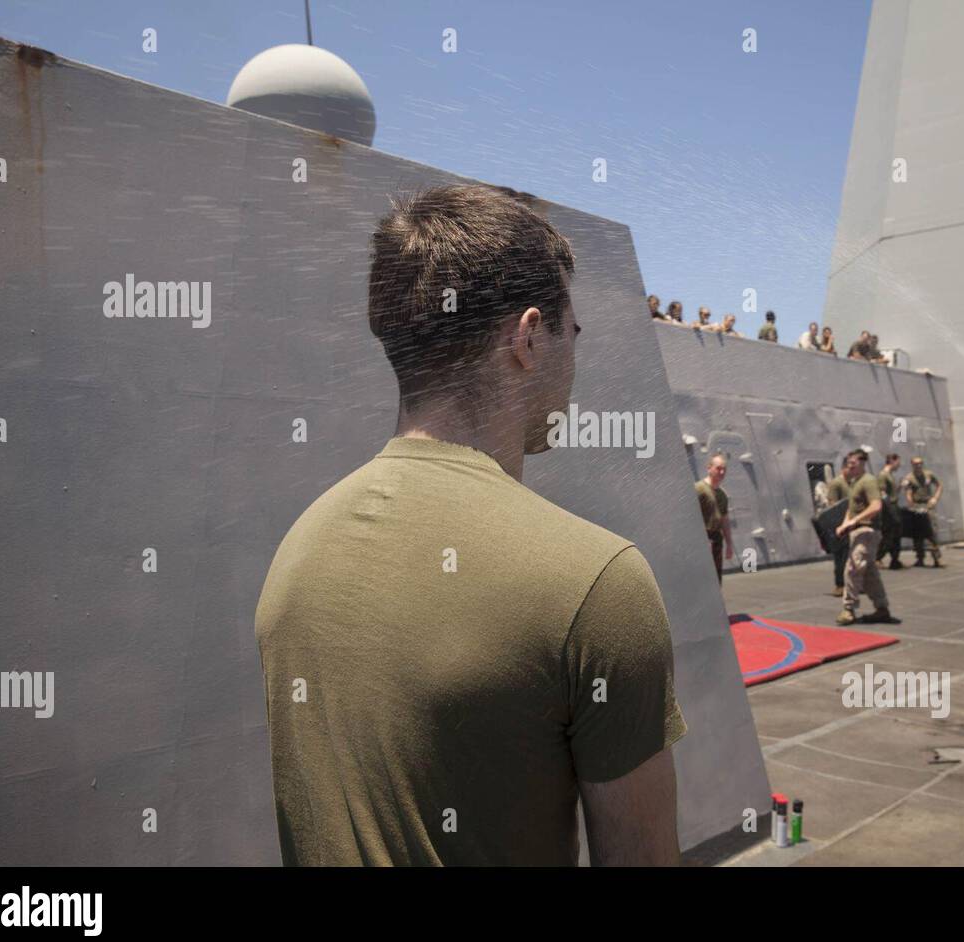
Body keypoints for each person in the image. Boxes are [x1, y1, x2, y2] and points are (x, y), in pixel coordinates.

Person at [255, 184, 686, 866]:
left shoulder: (299, 550)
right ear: (528, 336)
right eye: (571, 332)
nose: (575, 358)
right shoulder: (598, 585)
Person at [834, 450, 894, 626]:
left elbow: (876, 506)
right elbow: (851, 508)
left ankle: (849, 609)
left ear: (862, 462)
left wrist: (853, 521)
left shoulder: (868, 481)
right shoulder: (855, 482)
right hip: (858, 531)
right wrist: (844, 524)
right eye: (848, 462)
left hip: (867, 531)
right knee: (869, 574)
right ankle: (882, 609)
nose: (849, 465)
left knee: (852, 569)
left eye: (853, 462)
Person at [695, 454, 734, 583]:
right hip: (703, 540)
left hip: (717, 541)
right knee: (702, 581)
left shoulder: (722, 495)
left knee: (716, 581)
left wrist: (729, 544)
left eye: (724, 469)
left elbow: (724, 520)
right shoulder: (698, 489)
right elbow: (691, 517)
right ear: (709, 468)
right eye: (718, 468)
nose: (722, 472)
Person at [901, 457, 944, 567]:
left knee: (931, 531)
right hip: (916, 505)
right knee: (917, 532)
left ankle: (936, 558)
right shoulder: (909, 477)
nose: (918, 465)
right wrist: (910, 503)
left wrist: (935, 498)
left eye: (920, 463)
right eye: (916, 464)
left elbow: (939, 485)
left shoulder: (929, 474)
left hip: (928, 505)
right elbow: (908, 491)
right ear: (912, 465)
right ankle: (920, 558)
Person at [824, 459, 852, 596]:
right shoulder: (837, 483)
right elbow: (833, 505)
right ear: (843, 468)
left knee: (851, 556)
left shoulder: (851, 482)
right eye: (850, 468)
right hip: (840, 525)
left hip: (851, 524)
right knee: (840, 557)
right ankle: (839, 585)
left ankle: (853, 584)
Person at [875, 453, 904, 570]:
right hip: (889, 508)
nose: (899, 465)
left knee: (896, 534)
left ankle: (895, 560)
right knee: (889, 534)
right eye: (898, 462)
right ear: (892, 461)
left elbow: (892, 493)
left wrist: (900, 486)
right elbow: (882, 493)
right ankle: (877, 557)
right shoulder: (883, 475)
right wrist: (889, 510)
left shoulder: (890, 475)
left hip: (893, 505)